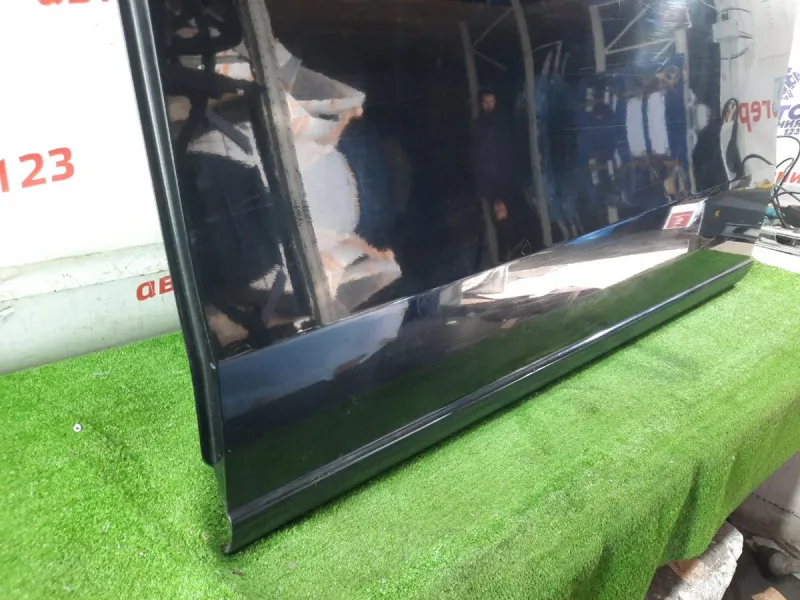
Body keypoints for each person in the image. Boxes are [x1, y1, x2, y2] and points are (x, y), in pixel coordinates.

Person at [470, 90, 516, 265]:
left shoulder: (501, 123)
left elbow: (506, 154)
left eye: (491, 101)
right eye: (486, 102)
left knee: (502, 225)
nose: (489, 105)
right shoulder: (479, 125)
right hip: (490, 181)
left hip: (499, 180)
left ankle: (504, 256)